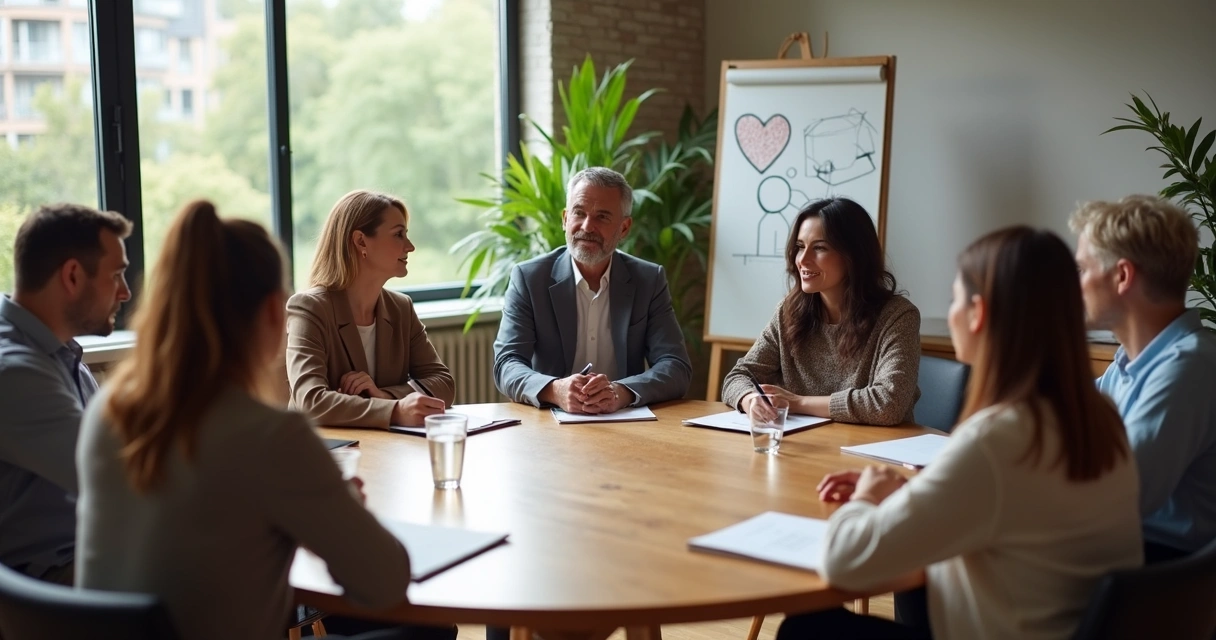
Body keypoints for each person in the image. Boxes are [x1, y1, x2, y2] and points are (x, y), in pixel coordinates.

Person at [76, 201, 420, 640]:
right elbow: (386, 581)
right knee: (427, 631)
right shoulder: (273, 437)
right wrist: (341, 508)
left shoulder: (106, 411)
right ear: (274, 314)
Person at [779, 227, 1142, 640]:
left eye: (954, 300)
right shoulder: (1100, 416)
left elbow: (842, 561)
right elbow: (1012, 512)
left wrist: (865, 497)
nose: (950, 314)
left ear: (979, 312)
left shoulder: (997, 440)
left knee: (807, 629)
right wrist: (907, 497)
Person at [1071, 194, 1216, 564]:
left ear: (1122, 276)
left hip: (1153, 575)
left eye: (1083, 270)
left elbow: (1118, 495)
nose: (1075, 284)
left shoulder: (1190, 366)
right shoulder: (1131, 359)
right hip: (1116, 548)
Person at [0, 203, 131, 585]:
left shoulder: (55, 349)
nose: (125, 292)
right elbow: (118, 478)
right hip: (45, 584)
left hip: (83, 551)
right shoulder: (17, 371)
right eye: (117, 275)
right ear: (72, 276)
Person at [492, 166, 692, 413]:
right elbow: (506, 364)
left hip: (623, 421)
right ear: (565, 219)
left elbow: (676, 366)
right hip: (549, 423)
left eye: (602, 217)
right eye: (579, 213)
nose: (587, 226)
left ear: (624, 228)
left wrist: (621, 392)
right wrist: (555, 390)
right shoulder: (530, 278)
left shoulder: (648, 280)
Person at [721, 198, 920, 425]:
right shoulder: (789, 312)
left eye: (819, 248)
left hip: (872, 453)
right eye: (800, 247)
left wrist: (797, 402)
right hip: (808, 448)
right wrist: (751, 399)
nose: (803, 260)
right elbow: (737, 377)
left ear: (854, 256)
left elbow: (888, 405)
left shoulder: (898, 316)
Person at [287, 190, 454, 428]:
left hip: (384, 449)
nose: (410, 246)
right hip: (324, 453)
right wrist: (395, 410)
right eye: (399, 234)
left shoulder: (401, 307)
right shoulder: (311, 308)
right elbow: (310, 402)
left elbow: (444, 384)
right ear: (361, 241)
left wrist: (384, 396)